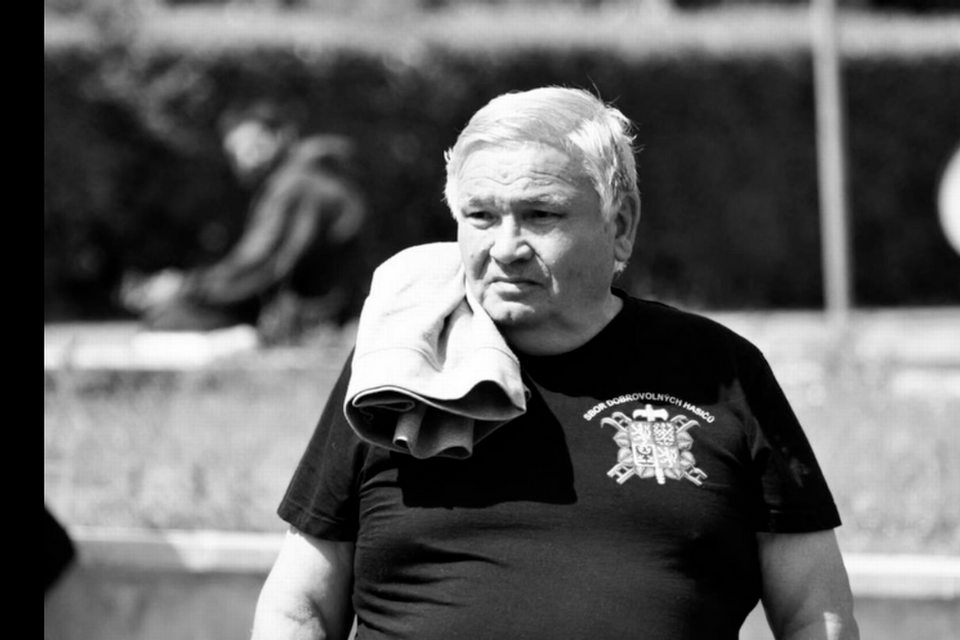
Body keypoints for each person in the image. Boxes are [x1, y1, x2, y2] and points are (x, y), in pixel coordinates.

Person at [251, 87, 859, 639]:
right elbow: (299, 606)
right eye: (481, 216)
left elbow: (815, 614)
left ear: (621, 226)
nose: (506, 247)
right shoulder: (403, 366)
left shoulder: (719, 370)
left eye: (540, 215)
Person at [121, 101, 370, 344]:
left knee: (169, 316)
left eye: (254, 143)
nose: (246, 156)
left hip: (316, 319)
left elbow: (262, 265)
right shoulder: (299, 180)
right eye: (237, 149)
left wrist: (186, 287)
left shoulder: (297, 187)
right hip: (309, 312)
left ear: (281, 136)